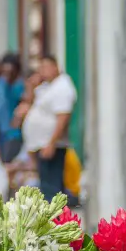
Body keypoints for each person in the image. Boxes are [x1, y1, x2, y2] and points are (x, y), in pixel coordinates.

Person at [20, 55, 77, 201]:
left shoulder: (62, 87)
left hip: (51, 144)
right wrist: (31, 87)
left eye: (45, 67)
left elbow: (63, 117)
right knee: (45, 185)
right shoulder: (47, 86)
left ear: (55, 67)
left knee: (52, 188)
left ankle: (55, 220)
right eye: (41, 68)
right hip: (41, 143)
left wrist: (51, 143)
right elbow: (31, 102)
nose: (43, 72)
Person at [0, 53, 26, 164]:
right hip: (0, 133)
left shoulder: (19, 86)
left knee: (9, 165)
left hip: (13, 134)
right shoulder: (0, 84)